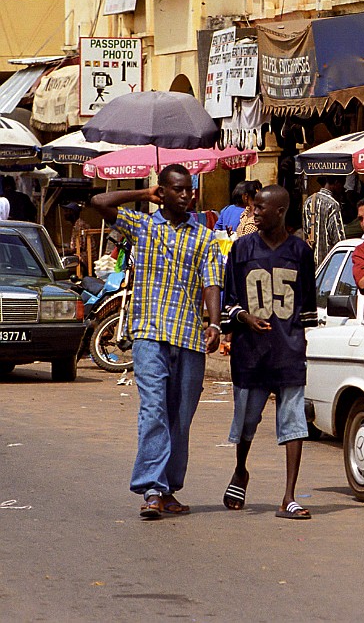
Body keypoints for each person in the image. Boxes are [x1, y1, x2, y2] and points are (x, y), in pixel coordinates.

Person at [90, 164, 224, 520]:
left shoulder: (205, 236)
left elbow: (211, 281)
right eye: (177, 189)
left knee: (181, 416)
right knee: (153, 409)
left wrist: (214, 323)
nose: (186, 195)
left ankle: (167, 489)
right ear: (162, 192)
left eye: (189, 189)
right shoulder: (143, 225)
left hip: (189, 335)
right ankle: (150, 487)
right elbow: (99, 201)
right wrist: (141, 194)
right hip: (150, 334)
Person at [221, 185, 317, 519]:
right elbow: (228, 300)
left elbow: (307, 306)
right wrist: (243, 317)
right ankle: (241, 469)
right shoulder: (242, 249)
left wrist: (301, 342)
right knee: (247, 420)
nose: (254, 213)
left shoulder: (301, 252)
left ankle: (288, 496)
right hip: (250, 351)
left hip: (288, 349)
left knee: (293, 421)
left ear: (279, 211)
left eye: (260, 208)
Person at [302, 175, 346, 268]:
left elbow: (306, 232)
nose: (342, 188)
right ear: (336, 183)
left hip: (309, 262)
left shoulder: (308, 201)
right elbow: (338, 239)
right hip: (327, 264)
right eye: (341, 185)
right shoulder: (333, 204)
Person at [60, 202, 95, 275]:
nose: (64, 214)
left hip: (84, 259)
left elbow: (80, 248)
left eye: (66, 211)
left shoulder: (80, 226)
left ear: (72, 212)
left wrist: (63, 253)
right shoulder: (76, 225)